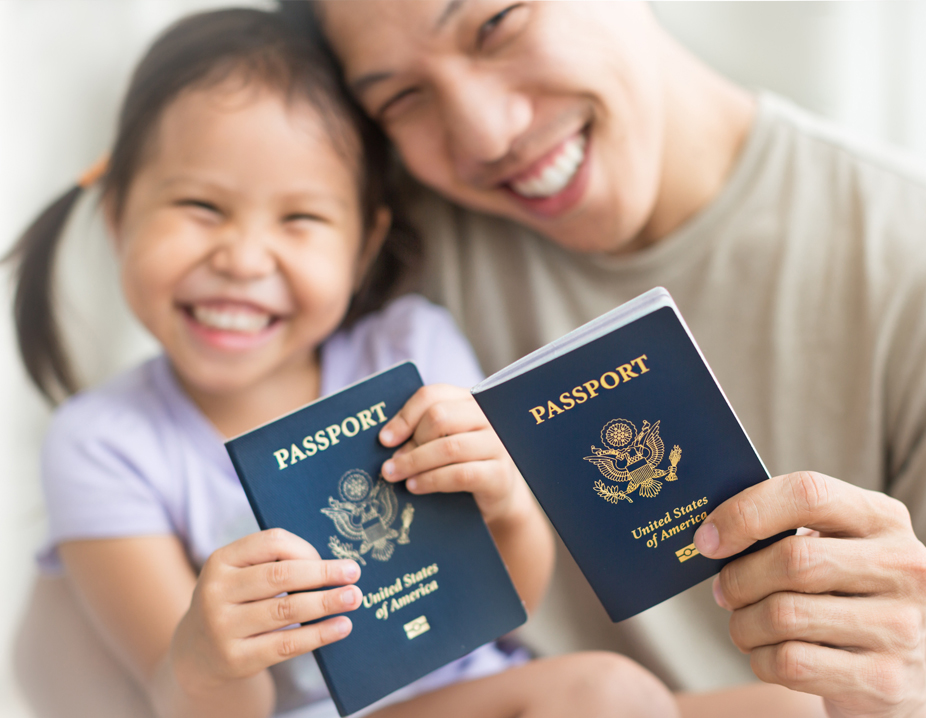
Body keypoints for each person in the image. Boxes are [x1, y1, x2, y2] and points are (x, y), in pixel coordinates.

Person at [312, 1, 926, 716]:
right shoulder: (365, 245)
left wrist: (914, 679)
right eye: (401, 98)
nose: (488, 133)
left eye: (495, 23)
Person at [8, 8, 678, 718]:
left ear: (362, 248)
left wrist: (506, 503)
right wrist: (204, 655)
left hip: (482, 687)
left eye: (300, 220)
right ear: (117, 217)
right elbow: (188, 702)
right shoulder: (103, 443)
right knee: (609, 695)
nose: (241, 259)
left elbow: (507, 608)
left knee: (783, 706)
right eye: (201, 206)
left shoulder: (409, 350)